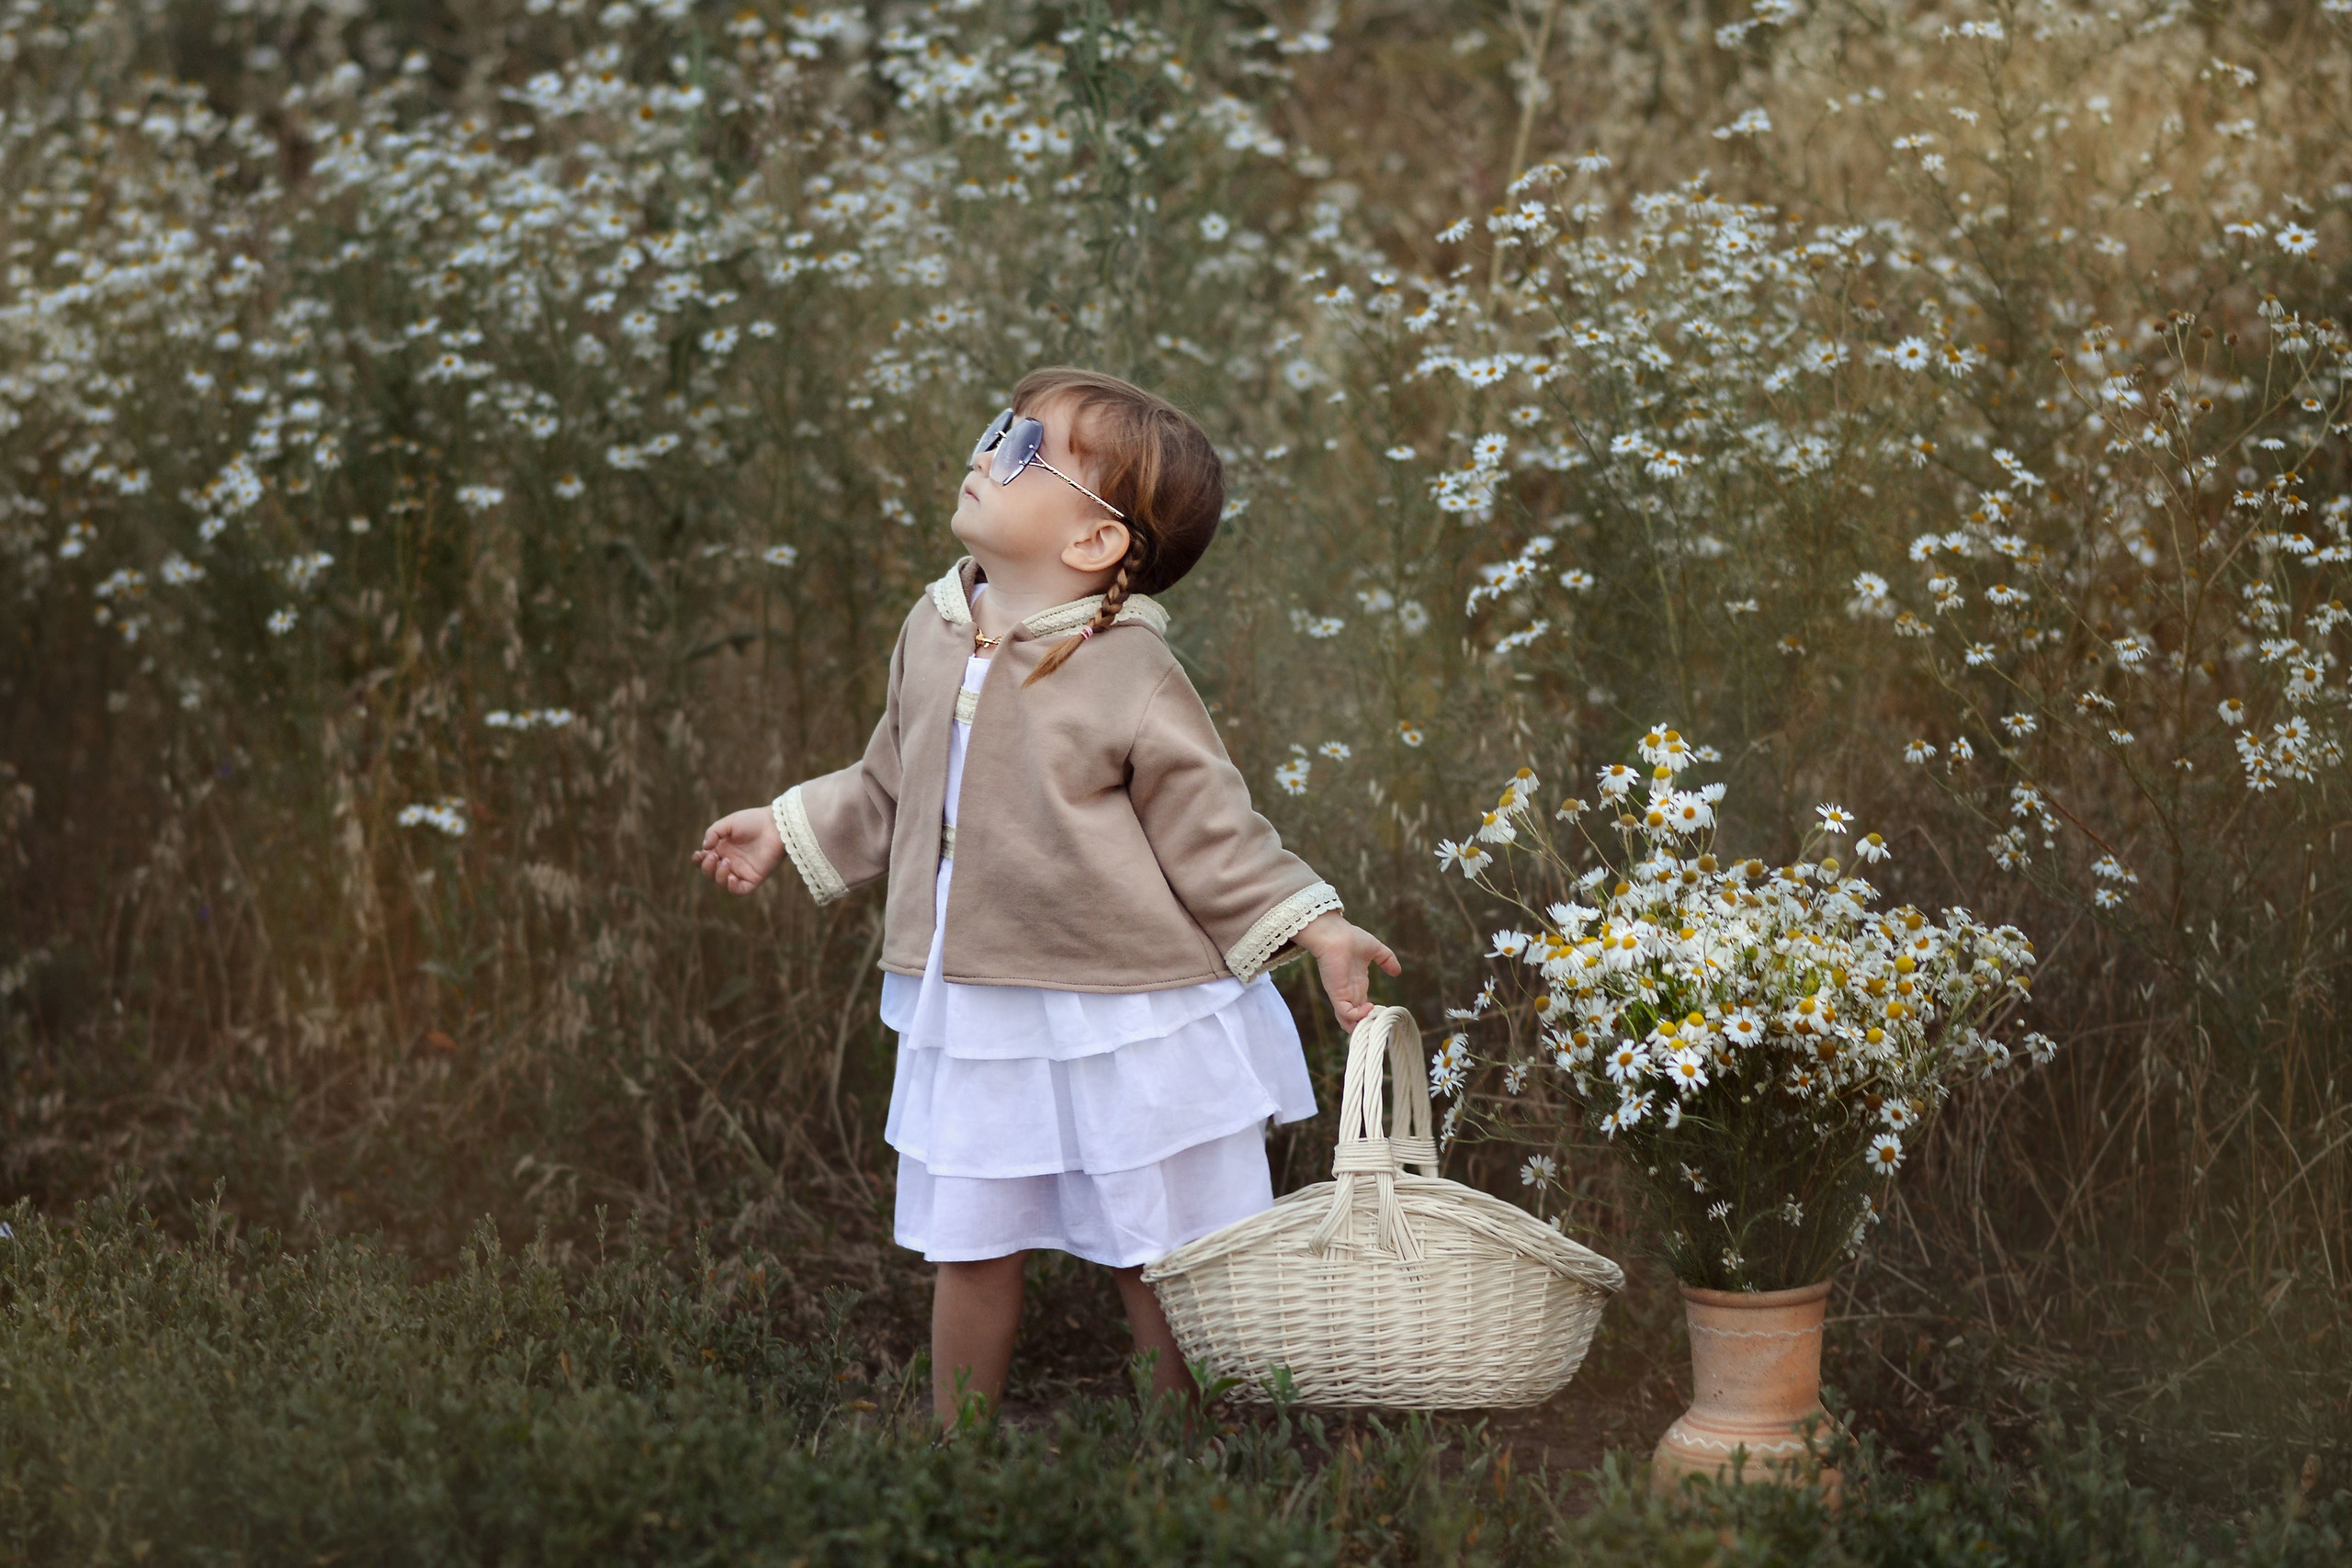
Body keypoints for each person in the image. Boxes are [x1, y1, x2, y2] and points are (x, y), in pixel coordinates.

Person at [691, 367, 1399, 1429]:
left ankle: (1184, 1452)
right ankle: (954, 1451)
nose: (988, 452)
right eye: (996, 430)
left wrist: (1317, 925)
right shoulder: (933, 630)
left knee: (1155, 1248)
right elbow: (894, 784)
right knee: (969, 1240)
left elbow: (1209, 827)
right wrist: (787, 825)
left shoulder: (1126, 672)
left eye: (1025, 450)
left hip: (1123, 1007)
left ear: (1093, 543)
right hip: (978, 1006)